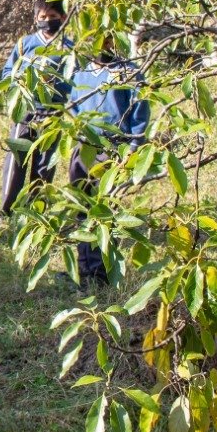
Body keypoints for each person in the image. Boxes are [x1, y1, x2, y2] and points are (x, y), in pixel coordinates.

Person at [67, 39, 150, 285]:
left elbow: (140, 112)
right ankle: (85, 270)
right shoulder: (80, 73)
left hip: (114, 149)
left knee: (107, 211)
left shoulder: (129, 73)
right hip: (84, 147)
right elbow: (73, 107)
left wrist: (133, 148)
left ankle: (105, 270)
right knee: (83, 208)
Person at [0, 0, 73, 217]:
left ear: (62, 16)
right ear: (36, 17)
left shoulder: (69, 48)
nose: (47, 19)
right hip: (26, 112)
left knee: (44, 167)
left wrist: (57, 84)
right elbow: (7, 72)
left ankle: (36, 210)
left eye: (52, 15)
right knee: (16, 161)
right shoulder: (25, 44)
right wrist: (17, 84)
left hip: (53, 115)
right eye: (43, 15)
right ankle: (7, 209)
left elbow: (75, 79)